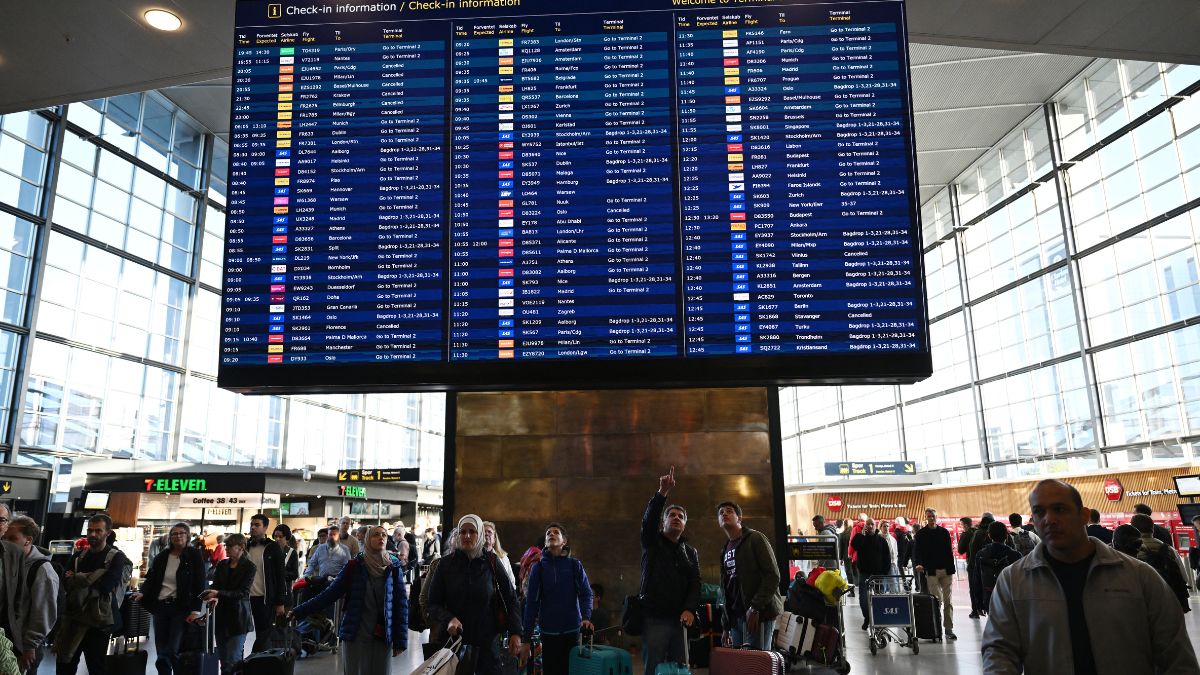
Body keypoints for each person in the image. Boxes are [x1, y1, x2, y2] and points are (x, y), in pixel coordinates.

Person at [981, 479, 1199, 674]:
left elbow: (1175, 655)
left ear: (1084, 515)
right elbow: (999, 651)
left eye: (1059, 509)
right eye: (1039, 512)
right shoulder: (1013, 581)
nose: (1049, 519)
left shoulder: (1139, 577)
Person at [291, 525, 409, 675]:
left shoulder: (393, 567)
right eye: (376, 535)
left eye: (384, 535)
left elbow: (401, 605)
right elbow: (329, 594)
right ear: (367, 539)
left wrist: (401, 641)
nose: (381, 537)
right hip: (356, 635)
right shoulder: (355, 566)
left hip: (382, 635)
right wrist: (299, 611)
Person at [426, 515, 522, 675]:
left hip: (487, 644)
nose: (467, 536)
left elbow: (511, 598)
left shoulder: (491, 561)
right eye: (462, 532)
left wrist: (516, 632)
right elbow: (432, 604)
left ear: (481, 536)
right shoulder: (445, 564)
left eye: (472, 531)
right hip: (454, 643)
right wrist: (449, 618)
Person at [639, 467, 700, 675]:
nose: (676, 518)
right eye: (671, 515)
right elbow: (648, 522)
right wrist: (662, 493)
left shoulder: (690, 552)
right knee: (654, 668)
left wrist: (690, 608)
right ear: (663, 522)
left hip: (681, 621)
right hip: (655, 619)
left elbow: (695, 583)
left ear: (684, 524)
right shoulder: (652, 543)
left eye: (680, 516)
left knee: (680, 669)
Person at [55, 514, 130, 675]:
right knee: (64, 663)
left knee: (96, 666)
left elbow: (107, 586)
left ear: (107, 533)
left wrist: (77, 577)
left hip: (98, 622)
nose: (93, 534)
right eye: (90, 530)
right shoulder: (79, 555)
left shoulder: (116, 557)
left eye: (98, 530)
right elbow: (65, 583)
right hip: (74, 617)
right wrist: (93, 577)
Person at [521, 523, 594, 675]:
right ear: (546, 542)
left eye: (556, 532)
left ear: (564, 541)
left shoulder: (574, 565)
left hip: (572, 631)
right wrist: (526, 638)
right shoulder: (538, 568)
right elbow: (531, 604)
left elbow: (586, 593)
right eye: (548, 533)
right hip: (548, 634)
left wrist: (586, 617)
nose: (551, 534)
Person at [135, 522, 207, 675]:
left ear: (187, 535)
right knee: (161, 648)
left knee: (172, 649)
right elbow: (152, 578)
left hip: (181, 608)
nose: (178, 536)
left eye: (181, 533)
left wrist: (196, 609)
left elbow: (200, 584)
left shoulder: (194, 555)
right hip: (160, 606)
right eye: (174, 534)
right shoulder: (163, 556)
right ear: (170, 537)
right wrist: (143, 592)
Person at [716, 501, 782, 649]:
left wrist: (755, 607)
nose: (724, 514)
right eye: (721, 513)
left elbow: (773, 575)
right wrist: (726, 625)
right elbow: (726, 587)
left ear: (739, 518)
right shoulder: (725, 549)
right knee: (742, 666)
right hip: (736, 617)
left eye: (729, 511)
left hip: (757, 614)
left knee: (757, 664)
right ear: (719, 522)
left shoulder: (755, 538)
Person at [5, 516, 59, 674]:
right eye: (5, 538)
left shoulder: (42, 571)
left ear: (28, 540)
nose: (6, 542)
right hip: (7, 641)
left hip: (24, 647)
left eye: (12, 538)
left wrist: (30, 646)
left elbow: (44, 613)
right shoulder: (10, 562)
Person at [203, 533, 255, 673]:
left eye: (230, 546)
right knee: (224, 660)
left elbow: (242, 593)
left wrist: (218, 594)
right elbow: (217, 585)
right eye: (226, 545)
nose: (226, 548)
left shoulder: (249, 567)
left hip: (238, 617)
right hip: (221, 616)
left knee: (234, 659)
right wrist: (212, 594)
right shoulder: (222, 564)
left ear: (241, 547)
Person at [1130, 514, 1190, 613]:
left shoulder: (1131, 551)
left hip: (1143, 605)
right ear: (1152, 528)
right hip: (1169, 604)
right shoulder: (1169, 549)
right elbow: (1184, 578)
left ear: (1133, 529)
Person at [912, 507, 956, 640]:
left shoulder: (944, 532)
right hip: (931, 571)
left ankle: (948, 629)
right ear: (926, 518)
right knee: (937, 601)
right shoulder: (920, 535)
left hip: (946, 570)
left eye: (933, 516)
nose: (931, 518)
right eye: (929, 516)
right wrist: (919, 564)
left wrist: (951, 568)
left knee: (948, 601)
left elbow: (949, 551)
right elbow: (917, 552)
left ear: (936, 518)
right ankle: (936, 629)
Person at [245, 514, 287, 652]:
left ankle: (255, 660)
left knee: (263, 633)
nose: (253, 527)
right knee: (241, 633)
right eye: (252, 524)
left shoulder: (273, 548)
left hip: (264, 598)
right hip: (244, 598)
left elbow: (280, 576)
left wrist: (280, 602)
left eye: (257, 525)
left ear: (265, 528)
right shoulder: (245, 546)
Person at [849, 518, 889, 630]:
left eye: (872, 524)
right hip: (865, 574)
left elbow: (887, 557)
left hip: (879, 574)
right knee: (864, 600)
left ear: (875, 526)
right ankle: (867, 618)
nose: (870, 526)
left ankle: (879, 620)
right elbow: (854, 545)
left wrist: (885, 572)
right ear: (865, 526)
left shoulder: (881, 540)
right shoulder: (860, 538)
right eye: (868, 524)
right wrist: (862, 534)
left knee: (879, 598)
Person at [975, 521, 1020, 610]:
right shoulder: (1015, 555)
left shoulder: (981, 554)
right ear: (1006, 535)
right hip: (1011, 599)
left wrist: (978, 604)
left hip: (989, 598)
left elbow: (977, 580)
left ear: (989, 535)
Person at [966, 513, 996, 618]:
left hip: (976, 567)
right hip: (994, 568)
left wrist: (973, 568)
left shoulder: (978, 533)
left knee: (975, 588)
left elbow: (972, 552)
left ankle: (976, 610)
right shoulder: (994, 532)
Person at [483, 521, 517, 592]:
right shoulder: (475, 557)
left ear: (494, 539)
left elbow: (511, 581)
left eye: (489, 532)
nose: (486, 534)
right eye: (483, 532)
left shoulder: (503, 558)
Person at [274, 525, 300, 608]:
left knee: (283, 619)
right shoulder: (270, 551)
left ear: (287, 538)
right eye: (275, 536)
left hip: (285, 594)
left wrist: (282, 573)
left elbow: (295, 574)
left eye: (280, 537)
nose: (277, 539)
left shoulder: (292, 553)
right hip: (270, 595)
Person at [880, 520, 900, 589]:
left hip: (891, 564)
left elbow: (895, 552)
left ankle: (894, 598)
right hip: (881, 565)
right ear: (881, 527)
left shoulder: (893, 539)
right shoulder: (878, 538)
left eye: (887, 526)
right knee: (882, 585)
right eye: (884, 526)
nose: (886, 528)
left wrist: (894, 563)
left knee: (893, 584)